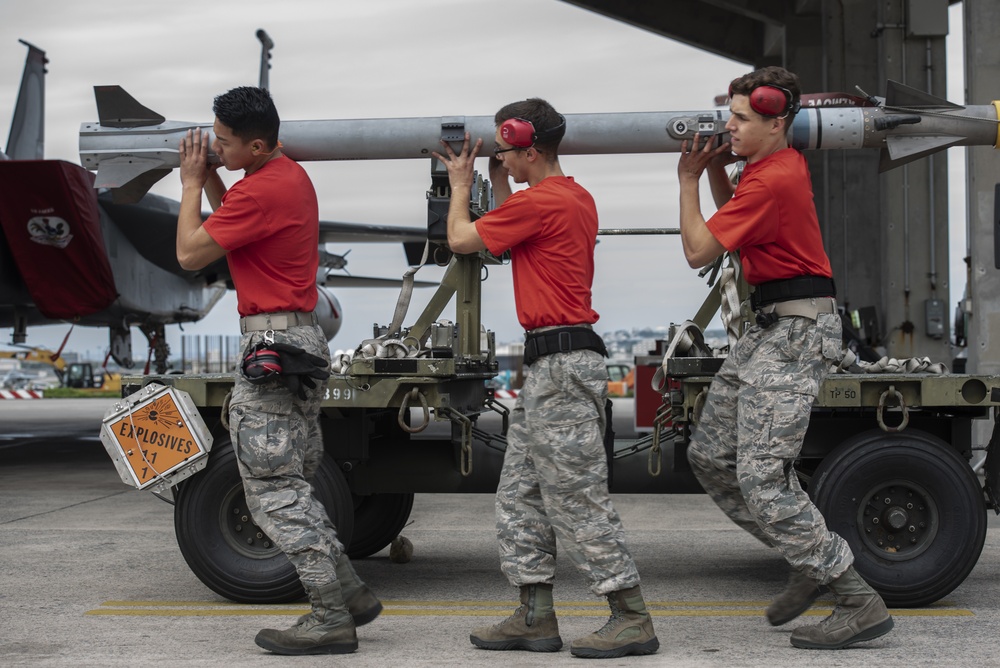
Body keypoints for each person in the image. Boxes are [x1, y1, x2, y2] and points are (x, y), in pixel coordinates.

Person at [676, 66, 894, 650]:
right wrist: (721, 168)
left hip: (794, 332)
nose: (731, 127)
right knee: (710, 455)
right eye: (730, 117)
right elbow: (739, 228)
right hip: (768, 326)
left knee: (762, 477)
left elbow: (700, 249)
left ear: (778, 122)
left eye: (742, 119)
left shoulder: (771, 179)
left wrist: (688, 180)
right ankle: (811, 557)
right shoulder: (770, 169)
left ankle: (856, 597)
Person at [432, 98, 659, 659]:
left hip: (559, 365)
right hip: (550, 364)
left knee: (576, 498)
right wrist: (496, 180)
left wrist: (460, 183)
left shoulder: (545, 201)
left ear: (530, 149)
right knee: (520, 496)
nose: (502, 161)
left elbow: (462, 239)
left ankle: (631, 616)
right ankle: (535, 615)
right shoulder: (570, 197)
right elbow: (511, 234)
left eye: (506, 153)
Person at [175, 86, 381, 656]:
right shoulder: (282, 176)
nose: (213, 149)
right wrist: (216, 175)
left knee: (273, 489)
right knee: (294, 479)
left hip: (273, 340)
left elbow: (191, 253)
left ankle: (330, 617)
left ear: (257, 144)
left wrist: (191, 183)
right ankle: (351, 594)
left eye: (222, 142)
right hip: (299, 340)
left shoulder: (263, 191)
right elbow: (233, 219)